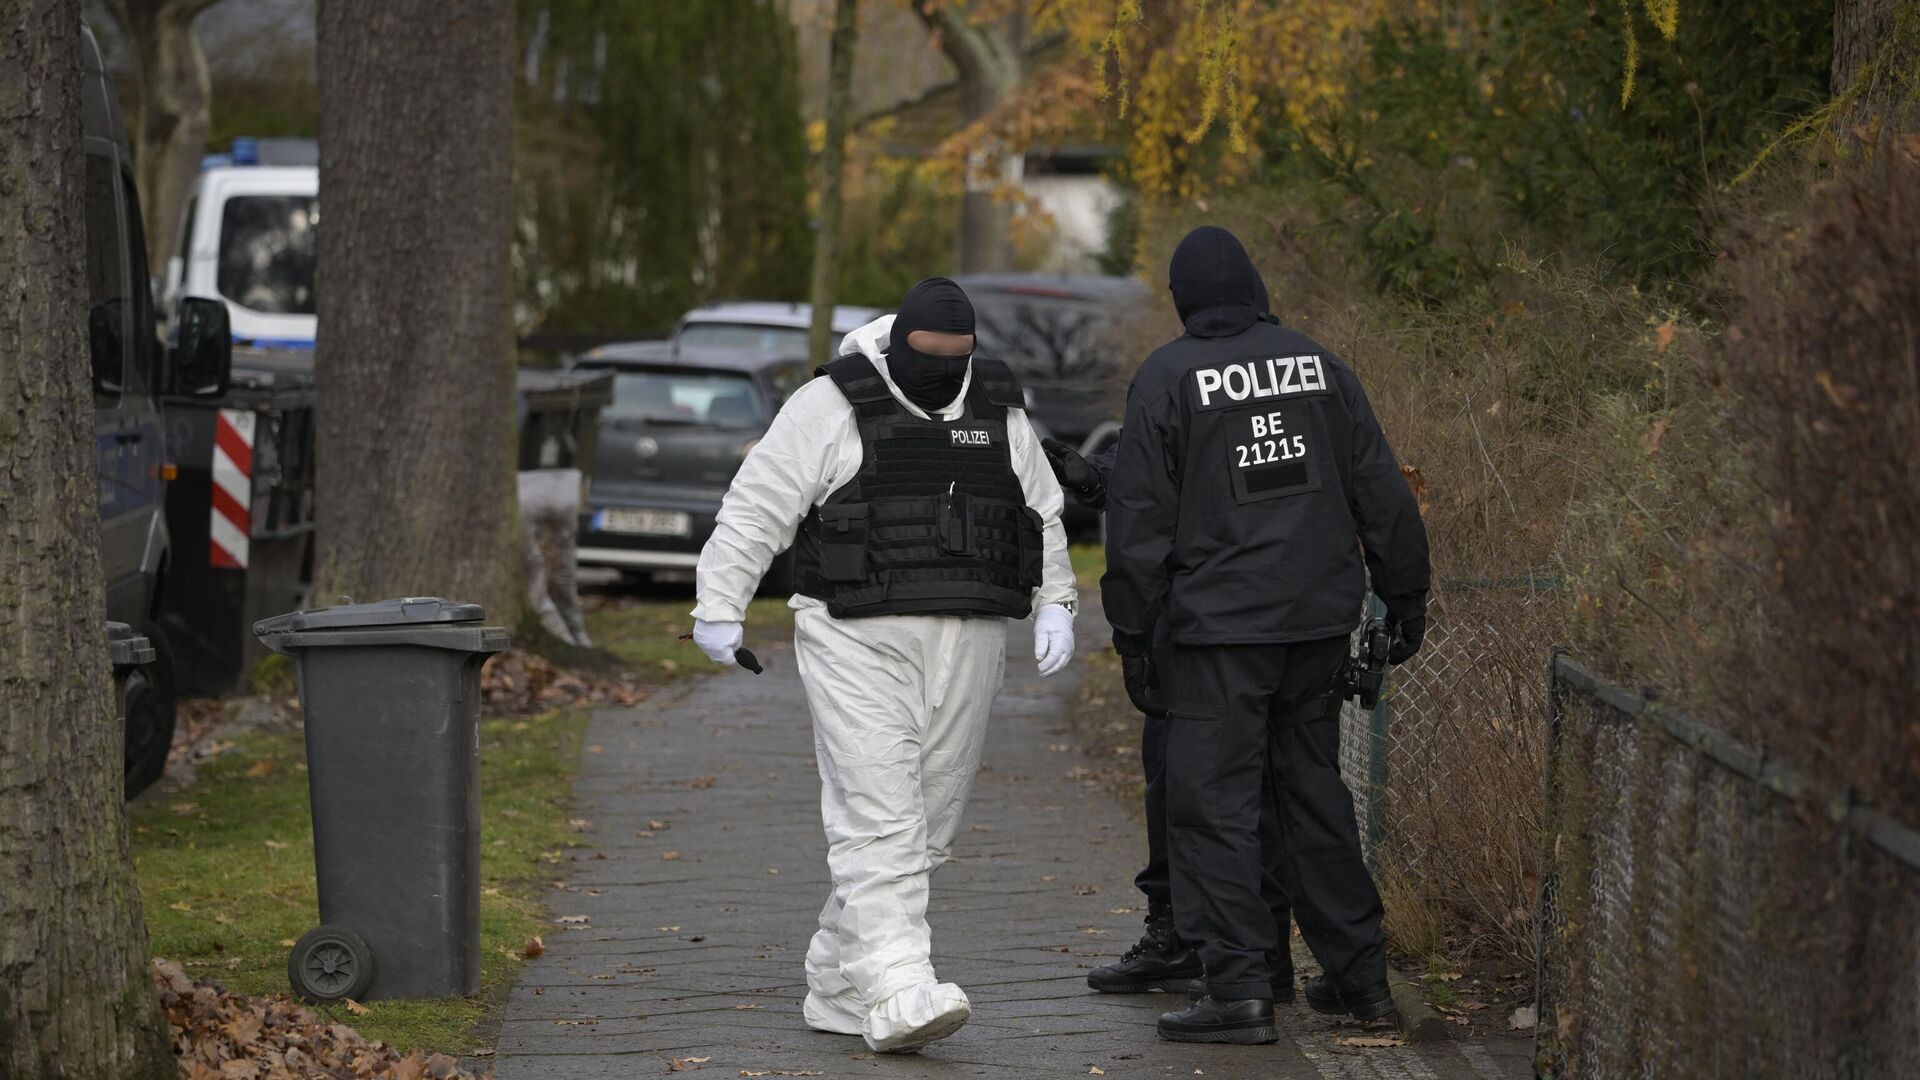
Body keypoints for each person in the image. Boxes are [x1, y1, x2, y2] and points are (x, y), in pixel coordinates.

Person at [690, 277, 1078, 1055]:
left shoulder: (999, 405)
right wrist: (718, 605)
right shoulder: (830, 404)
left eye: (956, 358)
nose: (943, 369)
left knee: (928, 824)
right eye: (929, 357)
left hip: (968, 636)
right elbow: (756, 504)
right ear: (899, 344)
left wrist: (1059, 601)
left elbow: (1038, 510)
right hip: (853, 635)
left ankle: (838, 983)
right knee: (881, 816)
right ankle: (901, 988)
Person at [1103, 226, 1430, 1044]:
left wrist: (1135, 638)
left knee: (1212, 809)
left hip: (1218, 636)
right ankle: (1361, 984)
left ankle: (1240, 990)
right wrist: (1405, 597)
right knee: (1313, 799)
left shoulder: (1169, 377)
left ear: (1182, 301)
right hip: (1317, 623)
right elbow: (1380, 491)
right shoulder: (1318, 366)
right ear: (1253, 286)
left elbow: (1137, 522)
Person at [1041, 267, 1298, 1003]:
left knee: (1205, 790)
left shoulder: (1198, 373)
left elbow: (1178, 492)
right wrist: (1096, 479)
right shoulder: (1284, 370)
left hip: (1211, 629)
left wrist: (1133, 633)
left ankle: (1216, 951)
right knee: (1230, 788)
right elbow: (1165, 471)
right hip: (1271, 623)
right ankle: (1233, 947)